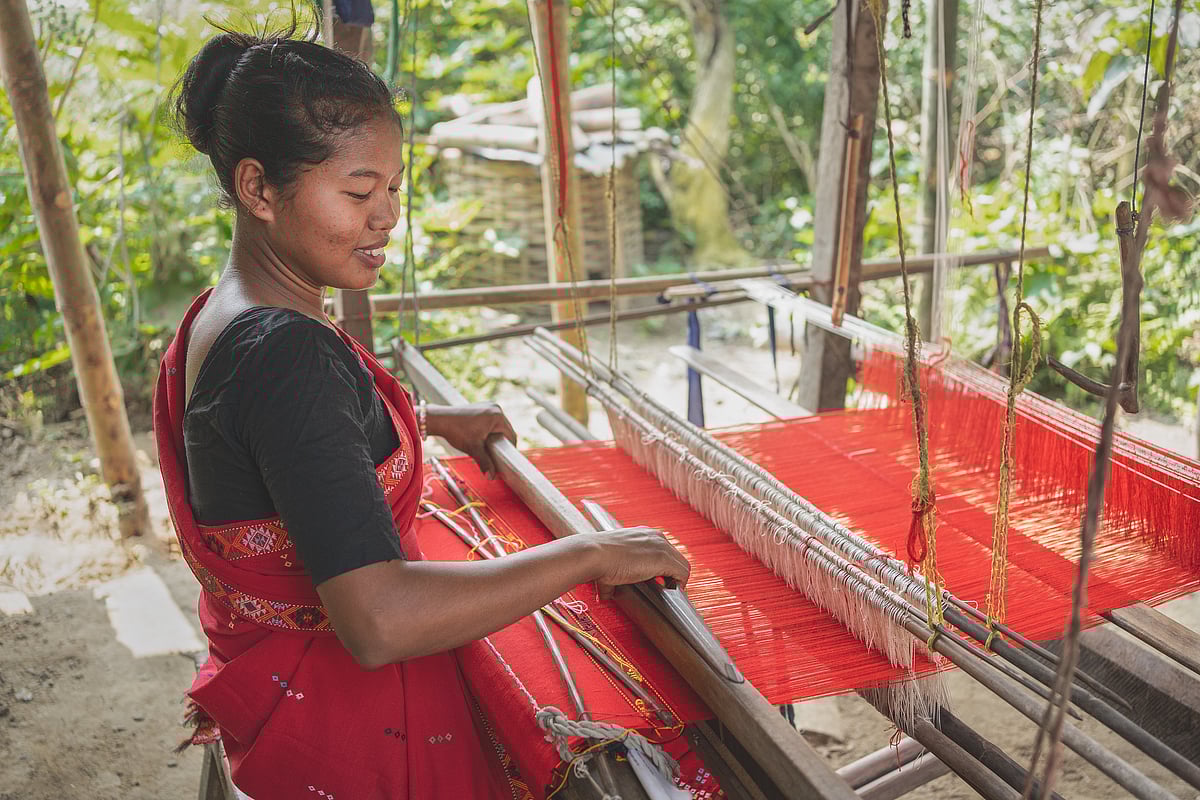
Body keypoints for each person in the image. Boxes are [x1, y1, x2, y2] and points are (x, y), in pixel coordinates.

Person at [155, 21, 690, 800]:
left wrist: (428, 420)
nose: (388, 218)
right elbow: (379, 622)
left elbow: (284, 454)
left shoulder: (225, 313)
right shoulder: (284, 355)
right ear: (258, 189)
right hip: (350, 726)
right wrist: (590, 556)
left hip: (273, 678)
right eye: (359, 192)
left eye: (395, 189)